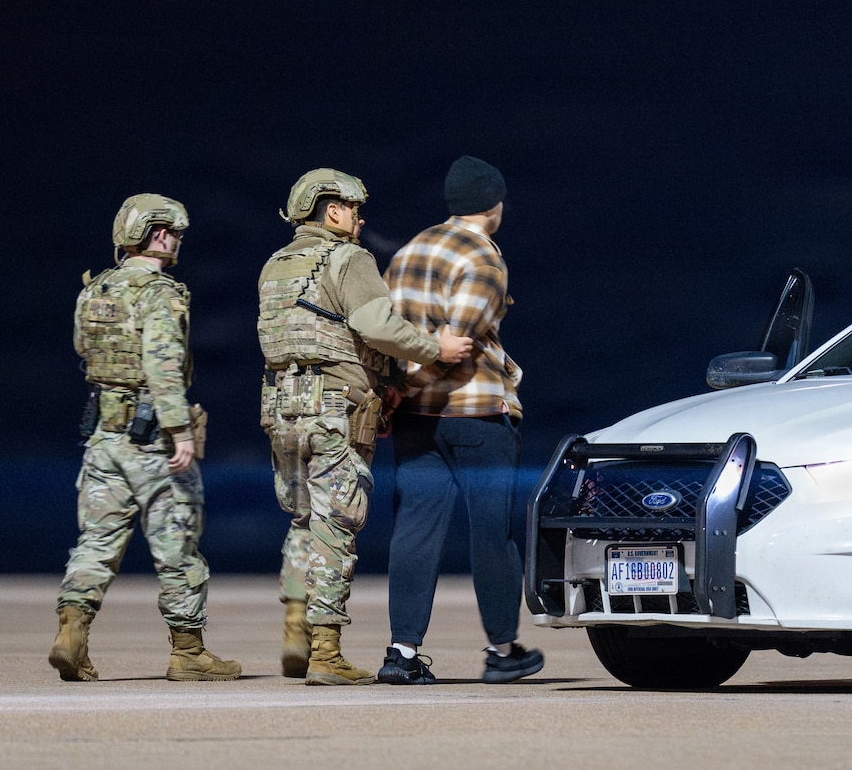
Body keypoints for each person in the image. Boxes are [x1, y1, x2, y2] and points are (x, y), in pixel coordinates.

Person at [257, 168, 475, 685]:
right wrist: (432, 350)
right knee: (336, 524)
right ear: (332, 210)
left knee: (302, 520)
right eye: (353, 208)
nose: (359, 218)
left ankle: (297, 624)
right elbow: (376, 326)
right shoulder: (349, 258)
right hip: (334, 407)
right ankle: (326, 651)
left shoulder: (276, 266)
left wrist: (388, 379)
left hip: (282, 407)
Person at [51, 194, 240, 682]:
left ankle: (71, 632)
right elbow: (162, 365)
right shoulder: (161, 292)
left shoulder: (95, 291)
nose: (176, 241)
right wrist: (179, 431)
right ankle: (189, 651)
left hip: (103, 436)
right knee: (177, 543)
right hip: (152, 438)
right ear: (157, 234)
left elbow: (81, 347)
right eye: (173, 232)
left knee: (96, 540)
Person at [375, 156, 544, 685]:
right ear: (494, 205)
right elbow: (458, 341)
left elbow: (387, 333)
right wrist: (417, 376)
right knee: (492, 534)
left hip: (415, 419)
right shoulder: (484, 257)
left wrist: (397, 390)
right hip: (475, 413)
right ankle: (502, 650)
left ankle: (401, 653)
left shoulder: (407, 253)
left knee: (414, 531)